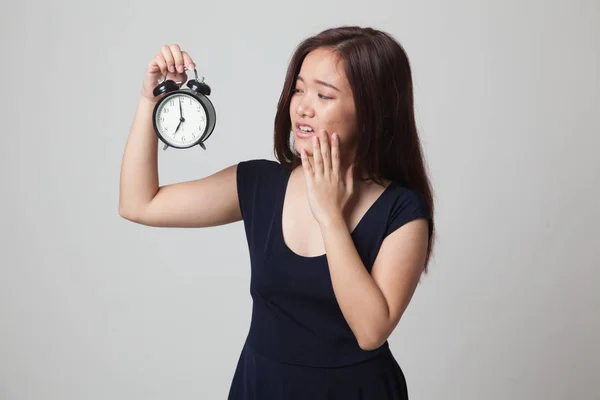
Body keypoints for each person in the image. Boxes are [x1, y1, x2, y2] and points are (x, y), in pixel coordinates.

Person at [119, 25, 435, 400]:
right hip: (261, 387)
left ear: (372, 109)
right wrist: (149, 99)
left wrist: (330, 216)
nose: (302, 105)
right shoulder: (260, 183)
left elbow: (370, 332)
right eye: (299, 88)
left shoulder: (402, 211)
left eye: (324, 94)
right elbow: (139, 204)